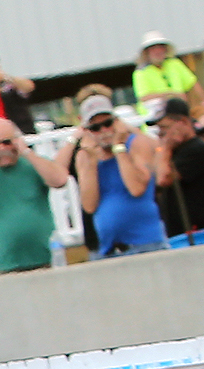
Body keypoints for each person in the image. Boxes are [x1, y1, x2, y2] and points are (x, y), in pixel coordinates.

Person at [0, 120, 66, 273]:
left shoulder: (34, 166)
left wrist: (27, 152)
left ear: (17, 141)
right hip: (7, 262)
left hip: (44, 258)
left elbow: (60, 180)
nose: (1, 148)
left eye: (7, 142)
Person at [72, 95, 167, 254]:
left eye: (107, 124)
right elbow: (89, 205)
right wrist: (92, 162)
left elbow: (136, 188)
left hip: (146, 243)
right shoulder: (85, 156)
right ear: (87, 131)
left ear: (116, 122)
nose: (104, 131)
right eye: (95, 128)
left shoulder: (136, 144)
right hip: (110, 248)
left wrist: (119, 148)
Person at [153, 99, 204, 239]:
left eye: (165, 127)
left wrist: (165, 148)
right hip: (181, 231)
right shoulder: (174, 151)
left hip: (202, 230)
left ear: (183, 122)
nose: (162, 134)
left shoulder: (196, 148)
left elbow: (164, 179)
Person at [133, 32, 203, 119]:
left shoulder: (174, 63)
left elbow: (192, 83)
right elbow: (144, 97)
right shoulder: (141, 72)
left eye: (160, 48)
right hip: (154, 117)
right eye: (153, 49)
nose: (158, 51)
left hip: (180, 113)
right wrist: (170, 95)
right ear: (147, 53)